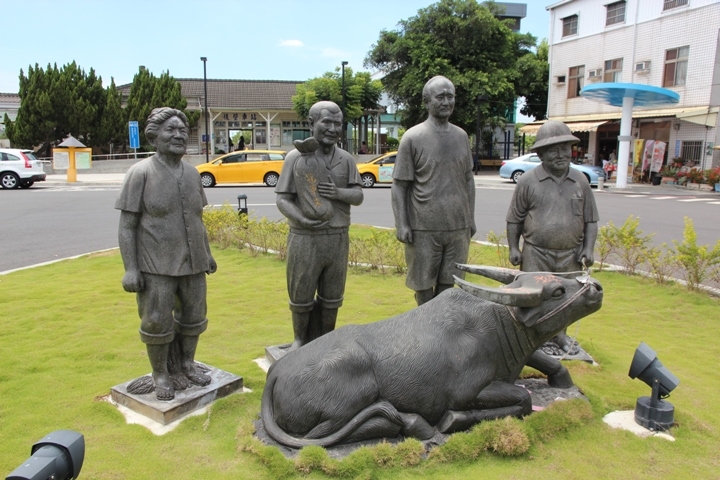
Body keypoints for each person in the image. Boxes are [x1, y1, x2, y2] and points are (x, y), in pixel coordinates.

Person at [116, 107, 217, 401]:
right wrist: (131, 268)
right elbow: (127, 226)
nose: (178, 135)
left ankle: (187, 364)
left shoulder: (192, 173)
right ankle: (160, 373)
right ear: (153, 137)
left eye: (182, 131)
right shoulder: (140, 173)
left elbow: (197, 218)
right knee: (156, 320)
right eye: (170, 130)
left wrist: (207, 253)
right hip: (155, 263)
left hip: (194, 261)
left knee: (195, 316)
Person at [275, 101, 364, 352]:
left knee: (332, 295)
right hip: (305, 237)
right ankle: (300, 340)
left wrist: (338, 193)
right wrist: (301, 219)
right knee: (301, 292)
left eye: (338, 124)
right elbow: (283, 198)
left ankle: (328, 340)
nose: (333, 129)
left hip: (337, 235)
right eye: (327, 122)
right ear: (311, 123)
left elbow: (358, 196)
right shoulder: (296, 158)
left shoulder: (345, 159)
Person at [506, 120, 598, 359]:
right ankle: (530, 338)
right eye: (554, 150)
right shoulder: (528, 181)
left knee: (567, 300)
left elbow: (590, 220)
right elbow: (514, 219)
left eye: (565, 148)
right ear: (541, 154)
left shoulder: (580, 181)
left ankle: (560, 336)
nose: (561, 155)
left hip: (571, 253)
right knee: (533, 296)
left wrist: (588, 247)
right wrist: (514, 248)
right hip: (536, 252)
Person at [392, 76, 476, 306]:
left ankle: (444, 329)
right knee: (422, 283)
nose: (446, 102)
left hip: (457, 225)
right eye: (440, 97)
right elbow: (399, 185)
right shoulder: (413, 137)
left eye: (451, 96)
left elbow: (469, 180)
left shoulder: (461, 136)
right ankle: (425, 329)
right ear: (427, 101)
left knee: (450, 281)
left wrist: (470, 218)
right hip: (423, 226)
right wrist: (402, 223)